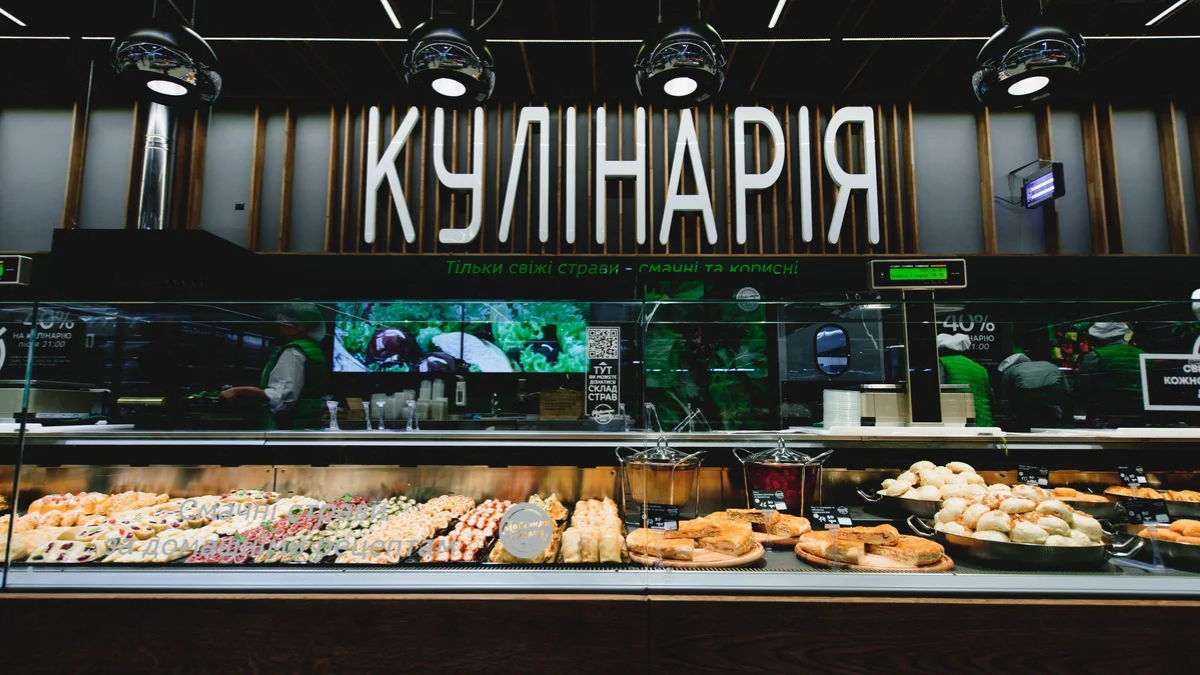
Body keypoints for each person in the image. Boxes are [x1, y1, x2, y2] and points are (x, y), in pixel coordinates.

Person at [220, 302, 329, 430]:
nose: (278, 325)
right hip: (307, 421)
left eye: (282, 322)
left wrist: (239, 391)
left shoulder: (294, 351)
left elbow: (280, 398)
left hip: (291, 425)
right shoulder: (312, 348)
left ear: (295, 327)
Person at [1077, 322, 1145, 426]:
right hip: (1139, 415)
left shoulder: (1095, 356)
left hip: (1105, 416)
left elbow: (1082, 387)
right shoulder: (1143, 354)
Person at [998, 353, 1070, 431]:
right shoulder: (1048, 365)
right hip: (1051, 400)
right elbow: (1065, 389)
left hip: (1025, 403)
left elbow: (1006, 395)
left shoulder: (1010, 371)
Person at [937, 333, 994, 427]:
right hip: (983, 420)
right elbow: (991, 396)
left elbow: (939, 390)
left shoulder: (942, 362)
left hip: (958, 419)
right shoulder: (979, 368)